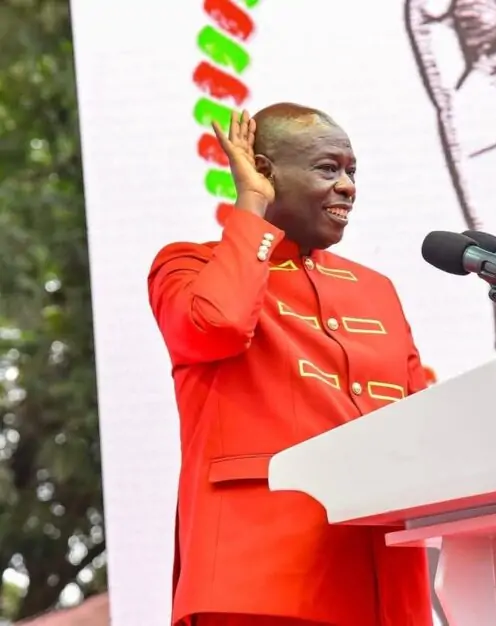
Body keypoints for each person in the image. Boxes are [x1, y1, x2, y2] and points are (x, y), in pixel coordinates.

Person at [147, 104, 433, 626]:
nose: (347, 185)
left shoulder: (377, 290)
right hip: (259, 581)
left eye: (352, 171)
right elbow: (217, 325)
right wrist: (252, 206)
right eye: (328, 168)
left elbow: (425, 420)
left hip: (385, 580)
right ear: (265, 170)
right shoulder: (189, 264)